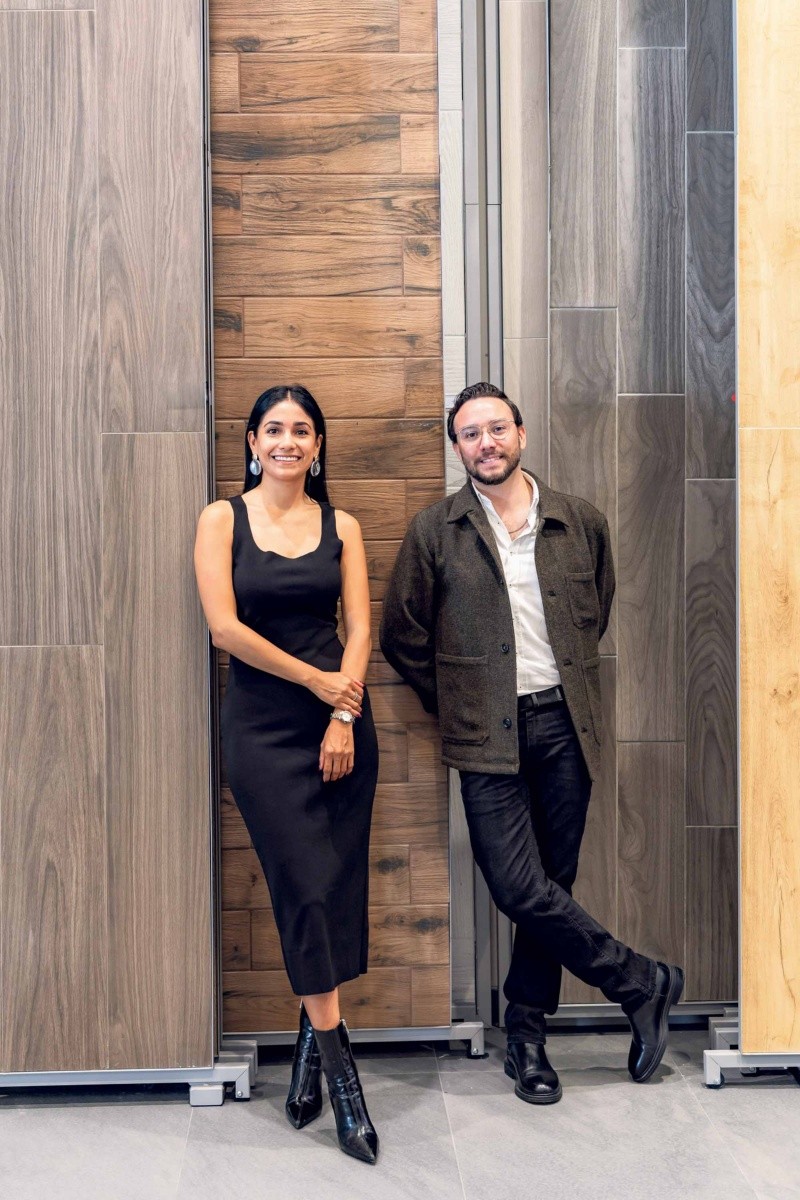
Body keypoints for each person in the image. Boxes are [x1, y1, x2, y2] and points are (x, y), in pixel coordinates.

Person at [380, 381, 684, 1105]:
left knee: (553, 884)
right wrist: (461, 700)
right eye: (469, 434)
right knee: (519, 885)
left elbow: (595, 612)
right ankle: (639, 980)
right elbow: (402, 634)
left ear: (520, 433)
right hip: (485, 734)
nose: (485, 443)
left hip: (565, 726)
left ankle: (526, 1036)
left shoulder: (579, 522)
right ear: (457, 448)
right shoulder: (436, 531)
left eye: (496, 429)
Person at [194, 385, 379, 1164]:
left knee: (333, 890)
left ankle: (309, 1052)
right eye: (274, 429)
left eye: (302, 430)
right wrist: (317, 683)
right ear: (252, 441)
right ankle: (345, 1084)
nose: (288, 441)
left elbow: (360, 628)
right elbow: (224, 628)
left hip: (341, 726)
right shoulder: (221, 519)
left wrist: (342, 714)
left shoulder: (344, 526)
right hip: (263, 729)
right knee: (302, 887)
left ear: (318, 446)